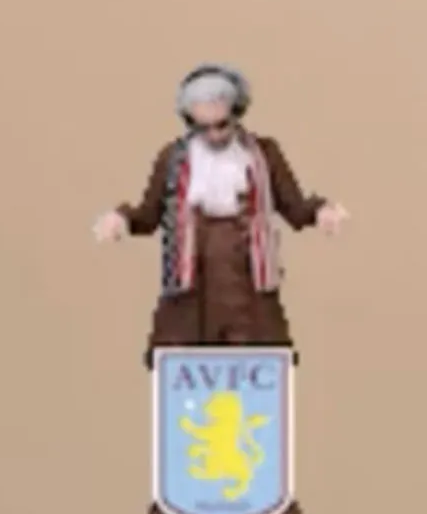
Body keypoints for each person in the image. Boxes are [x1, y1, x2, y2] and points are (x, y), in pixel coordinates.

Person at [93, 64, 345, 365]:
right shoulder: (173, 159)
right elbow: (149, 215)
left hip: (247, 282)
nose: (213, 135)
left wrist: (321, 212)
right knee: (185, 364)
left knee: (256, 363)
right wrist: (122, 219)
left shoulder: (263, 155)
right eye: (203, 127)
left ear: (236, 114)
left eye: (221, 125)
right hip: (192, 284)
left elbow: (293, 206)